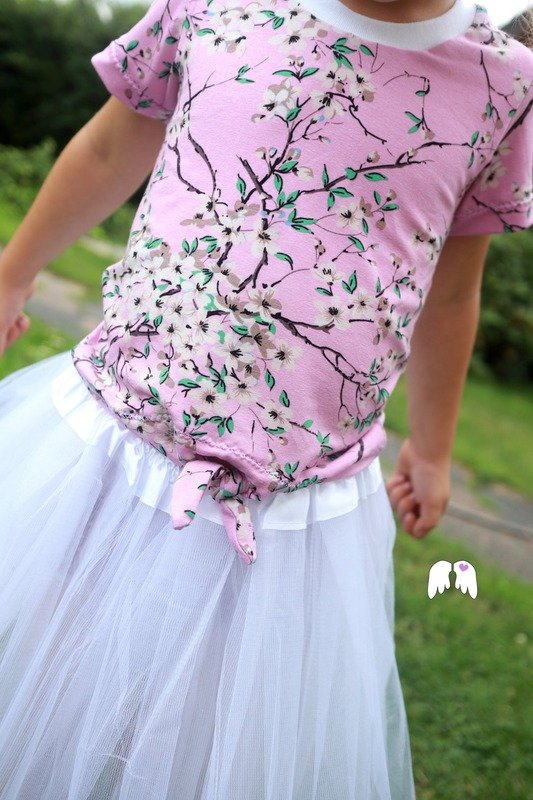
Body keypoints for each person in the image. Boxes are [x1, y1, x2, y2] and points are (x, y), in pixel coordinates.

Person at [0, 0, 531, 796]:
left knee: (202, 744)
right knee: (45, 682)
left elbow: (452, 288)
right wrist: (13, 273)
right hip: (110, 452)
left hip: (292, 516)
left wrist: (432, 448)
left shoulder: (503, 83)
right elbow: (113, 145)